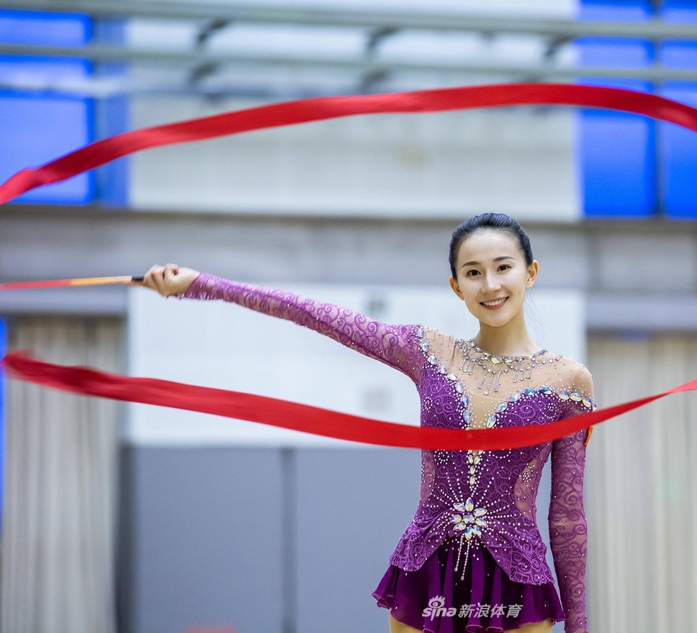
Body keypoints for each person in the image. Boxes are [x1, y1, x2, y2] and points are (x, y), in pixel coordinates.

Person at [130, 212, 595, 633]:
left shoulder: (568, 381)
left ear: (530, 272)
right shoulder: (429, 352)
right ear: (456, 286)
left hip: (515, 583)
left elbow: (567, 515)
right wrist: (202, 284)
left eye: (503, 267)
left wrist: (578, 627)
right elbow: (312, 313)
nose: (490, 284)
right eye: (473, 273)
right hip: (425, 574)